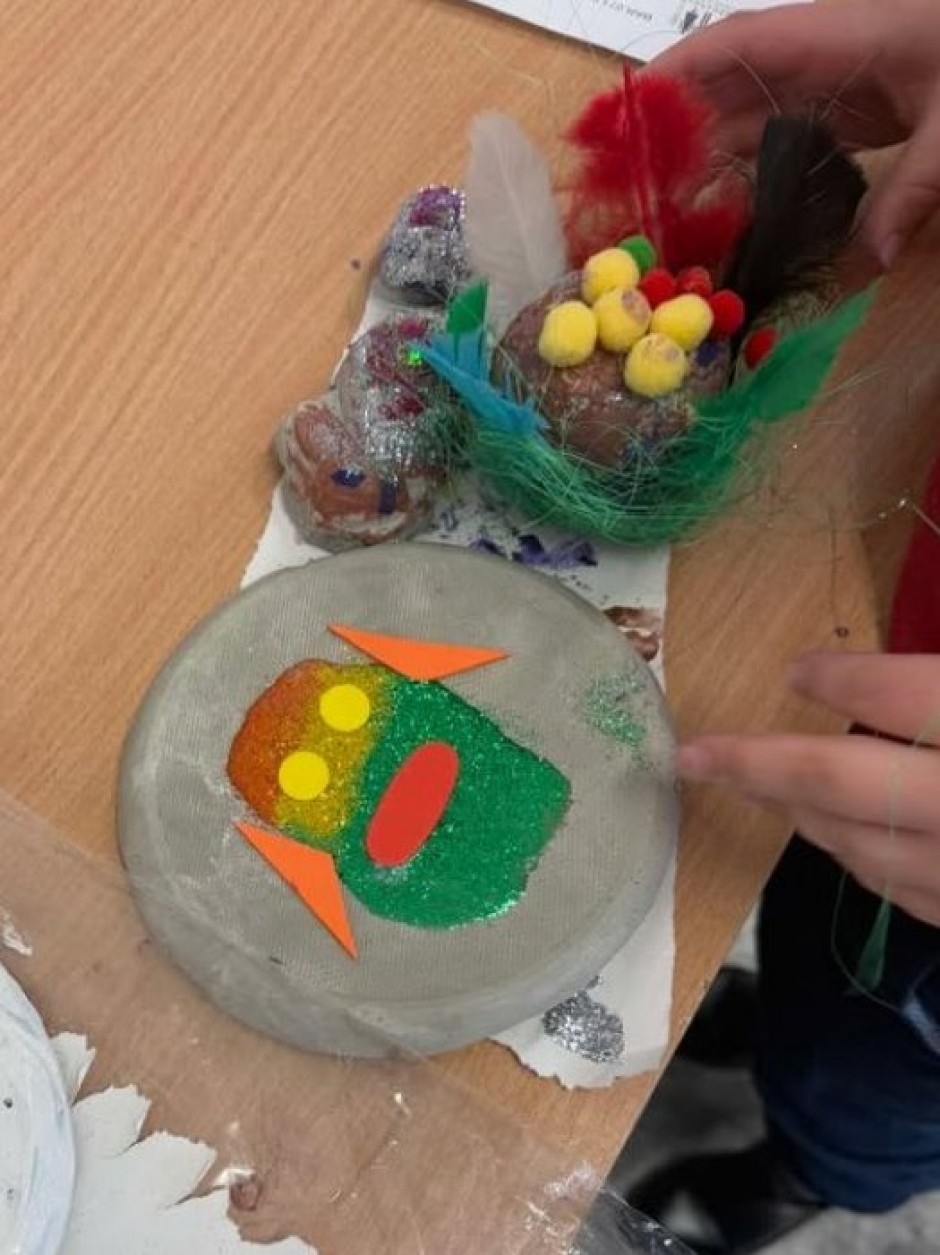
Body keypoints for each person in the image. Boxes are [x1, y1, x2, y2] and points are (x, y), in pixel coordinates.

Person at [625, 3, 940, 1251]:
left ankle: (813, 1168)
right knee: (820, 891)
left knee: (870, 1071)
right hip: (901, 682)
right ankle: (782, 1018)